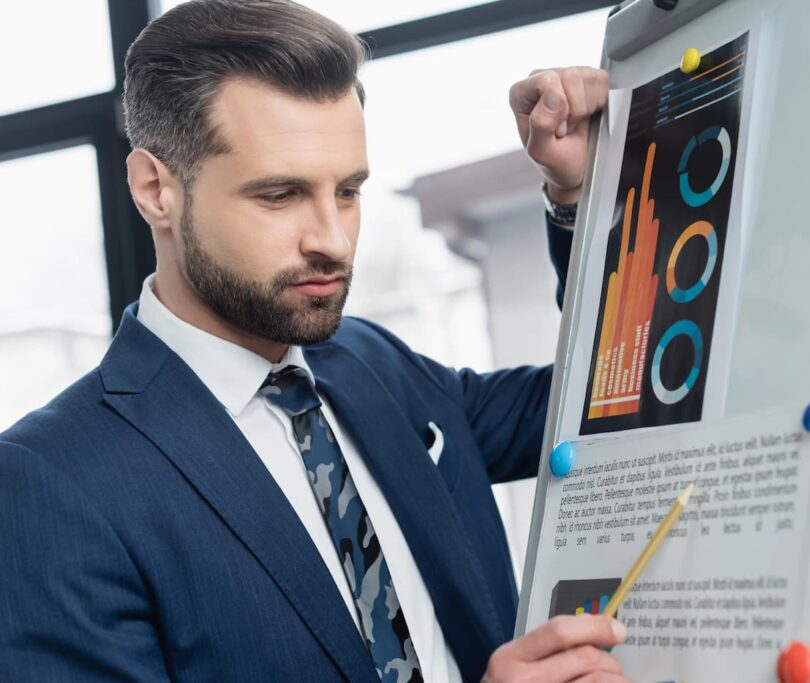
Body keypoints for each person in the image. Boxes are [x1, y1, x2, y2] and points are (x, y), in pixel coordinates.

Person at [0, 1, 628, 681]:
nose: (333, 240)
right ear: (155, 188)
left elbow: (607, 394)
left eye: (348, 191)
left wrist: (575, 193)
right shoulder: (51, 483)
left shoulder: (373, 364)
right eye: (280, 195)